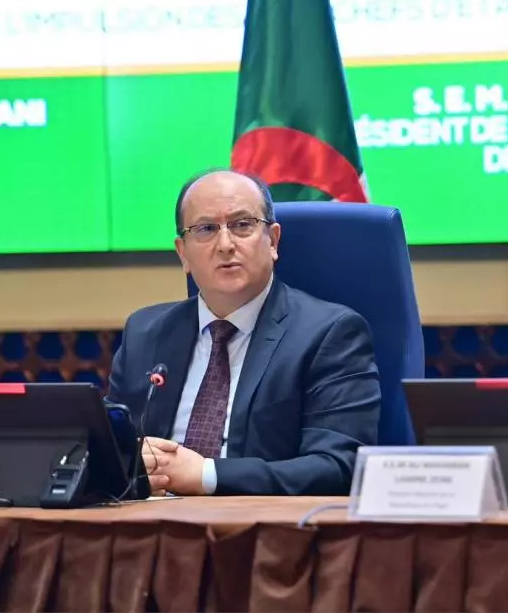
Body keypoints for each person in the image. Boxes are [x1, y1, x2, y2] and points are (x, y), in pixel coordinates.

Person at [108, 169, 380, 496]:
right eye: (206, 229)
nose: (225, 245)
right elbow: (110, 446)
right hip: (150, 530)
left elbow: (339, 466)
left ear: (273, 240)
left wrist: (207, 475)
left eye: (242, 225)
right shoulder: (146, 332)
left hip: (265, 533)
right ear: (183, 253)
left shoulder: (330, 334)